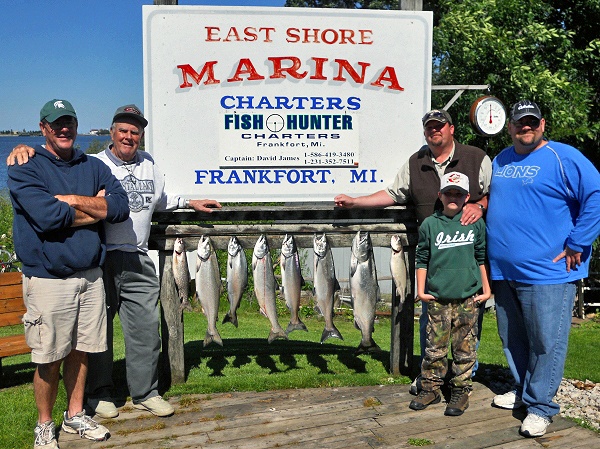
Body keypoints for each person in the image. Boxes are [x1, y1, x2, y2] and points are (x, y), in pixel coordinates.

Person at [8, 104, 222, 420]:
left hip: (137, 256)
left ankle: (145, 393)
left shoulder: (149, 164)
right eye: (123, 129)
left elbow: (150, 201)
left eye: (135, 131)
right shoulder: (94, 163)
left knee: (146, 330)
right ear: (111, 133)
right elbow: (68, 204)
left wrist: (188, 201)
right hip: (101, 257)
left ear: (140, 136)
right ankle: (99, 394)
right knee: (96, 334)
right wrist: (23, 147)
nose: (129, 136)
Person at [334, 109, 492, 390]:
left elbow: (496, 193)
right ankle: (432, 377)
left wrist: (480, 206)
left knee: (466, 325)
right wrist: (356, 202)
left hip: (466, 262)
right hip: (434, 262)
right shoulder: (415, 162)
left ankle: (463, 380)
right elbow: (394, 194)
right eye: (429, 127)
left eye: (439, 126)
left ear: (451, 129)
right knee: (431, 324)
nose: (434, 131)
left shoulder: (476, 157)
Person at [7, 99, 130, 448]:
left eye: (70, 122)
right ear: (43, 128)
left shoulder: (93, 166)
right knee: (49, 358)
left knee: (81, 350)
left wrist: (73, 200)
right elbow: (47, 217)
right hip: (49, 279)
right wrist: (97, 208)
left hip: (91, 277)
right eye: (56, 123)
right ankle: (44, 424)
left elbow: (120, 207)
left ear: (77, 125)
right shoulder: (24, 166)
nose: (64, 129)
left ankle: (74, 414)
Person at [486, 100, 600, 437]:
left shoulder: (563, 157)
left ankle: (542, 407)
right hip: (504, 270)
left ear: (543, 124)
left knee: (546, 341)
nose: (526, 128)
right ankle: (524, 391)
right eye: (520, 123)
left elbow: (596, 194)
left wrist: (579, 242)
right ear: (509, 127)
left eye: (532, 122)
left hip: (548, 272)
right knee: (514, 339)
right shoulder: (501, 159)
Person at [409, 172, 491, 416]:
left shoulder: (475, 223)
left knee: (465, 348)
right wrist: (420, 290)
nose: (453, 197)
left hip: (468, 297)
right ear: (440, 195)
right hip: (437, 298)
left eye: (458, 193)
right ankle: (431, 388)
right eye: (449, 192)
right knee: (434, 346)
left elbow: (480, 256)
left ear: (467, 197)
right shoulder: (430, 225)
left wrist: (486, 289)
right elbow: (422, 258)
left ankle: (460, 390)